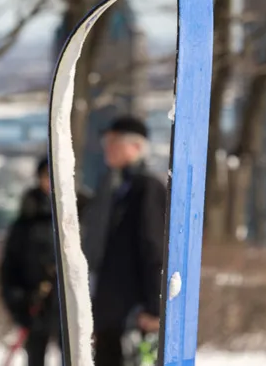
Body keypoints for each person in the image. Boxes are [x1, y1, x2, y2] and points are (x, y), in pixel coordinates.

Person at [82, 115, 167, 366]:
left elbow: (154, 247)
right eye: (106, 142)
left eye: (114, 141)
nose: (107, 148)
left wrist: (154, 307)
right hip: (109, 310)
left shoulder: (147, 188)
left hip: (133, 311)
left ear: (136, 146)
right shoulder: (111, 186)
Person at [0, 157, 60, 366]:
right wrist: (18, 302)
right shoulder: (26, 220)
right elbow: (10, 267)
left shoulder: (80, 211)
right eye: (46, 176)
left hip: (66, 302)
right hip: (34, 301)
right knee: (35, 356)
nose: (50, 182)